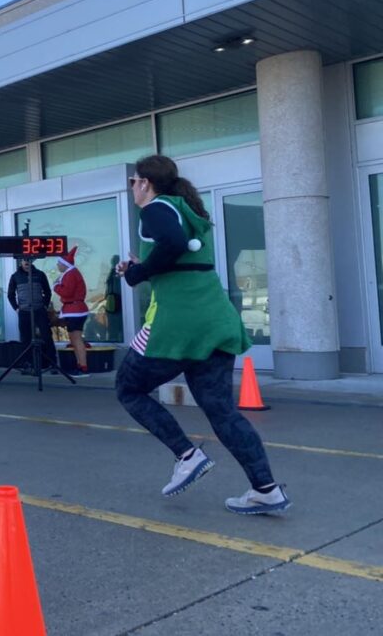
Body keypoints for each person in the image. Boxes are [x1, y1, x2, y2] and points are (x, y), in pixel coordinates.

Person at [115, 154, 289, 515]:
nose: (131, 187)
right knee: (222, 411)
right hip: (214, 322)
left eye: (133, 181)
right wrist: (142, 265)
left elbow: (173, 243)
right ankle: (266, 489)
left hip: (177, 325)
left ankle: (187, 455)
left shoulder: (155, 209)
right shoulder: (187, 209)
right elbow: (180, 253)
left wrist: (137, 273)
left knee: (128, 387)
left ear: (145, 183)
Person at [6, 257, 57, 371]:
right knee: (25, 338)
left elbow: (47, 291)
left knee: (47, 336)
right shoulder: (15, 276)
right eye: (24, 260)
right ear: (21, 262)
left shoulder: (40, 274)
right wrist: (16, 308)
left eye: (29, 260)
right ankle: (28, 363)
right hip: (24, 311)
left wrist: (44, 305)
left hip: (39, 310)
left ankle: (52, 364)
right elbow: (10, 294)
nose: (26, 262)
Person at [53, 246, 90, 377]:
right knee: (75, 339)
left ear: (64, 264)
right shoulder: (73, 273)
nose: (57, 265)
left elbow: (67, 292)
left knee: (76, 339)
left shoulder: (70, 274)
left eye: (59, 263)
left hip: (74, 311)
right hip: (76, 310)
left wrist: (56, 286)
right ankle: (81, 365)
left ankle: (83, 367)